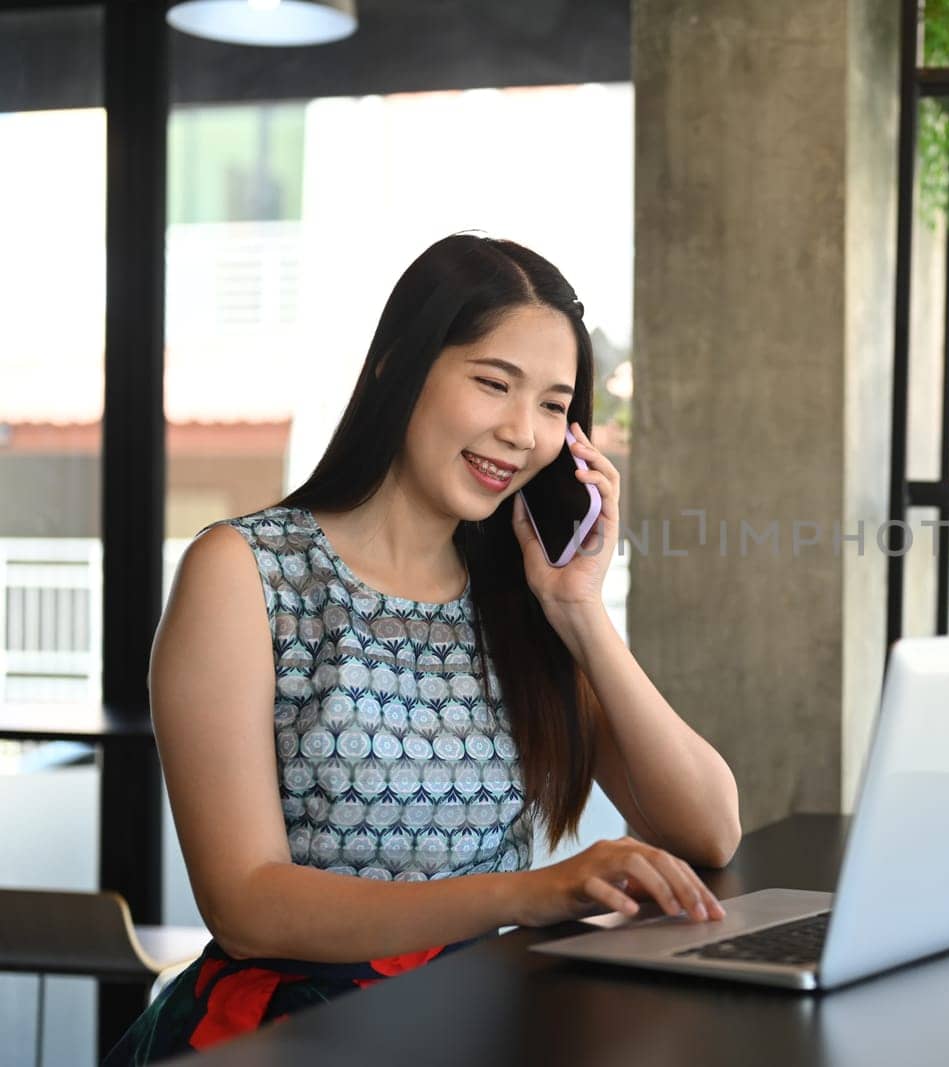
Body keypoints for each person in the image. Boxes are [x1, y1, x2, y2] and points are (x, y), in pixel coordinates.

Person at [107, 234, 740, 1063]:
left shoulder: (520, 601)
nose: (522, 432)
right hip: (293, 1034)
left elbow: (711, 828)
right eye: (493, 383)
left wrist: (581, 611)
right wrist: (529, 892)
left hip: (479, 1019)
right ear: (396, 366)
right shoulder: (246, 573)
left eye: (553, 405)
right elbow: (246, 902)